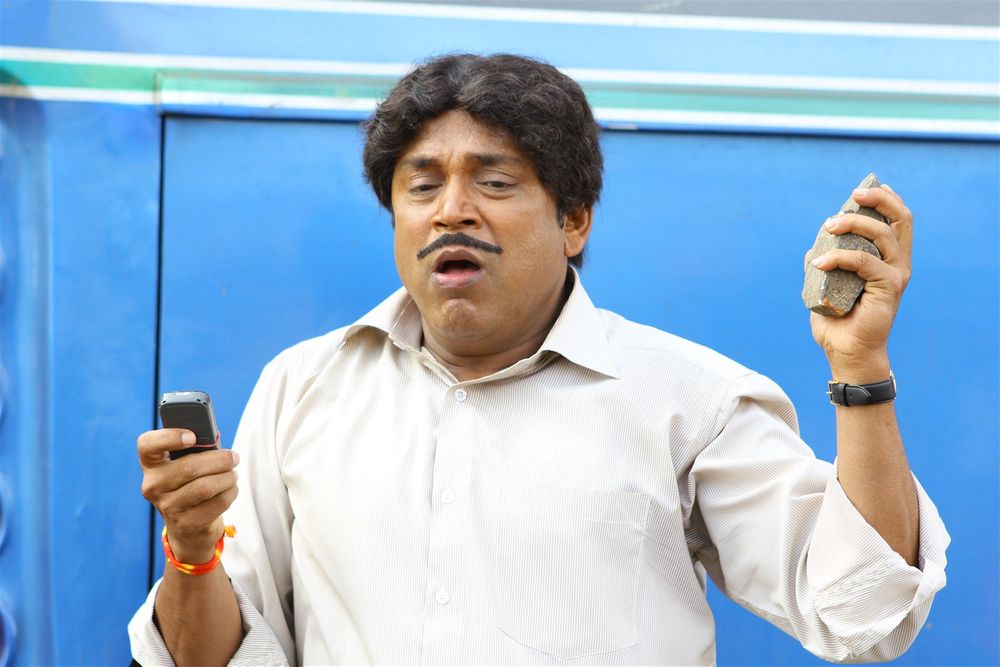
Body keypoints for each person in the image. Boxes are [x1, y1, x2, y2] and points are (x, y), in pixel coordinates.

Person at [129, 53, 948, 666]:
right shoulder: (302, 389)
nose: (452, 210)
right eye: (422, 186)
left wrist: (860, 368)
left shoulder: (690, 401)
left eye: (494, 182)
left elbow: (864, 611)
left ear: (574, 220)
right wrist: (193, 547)